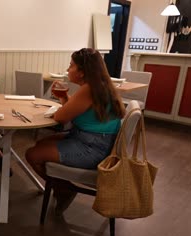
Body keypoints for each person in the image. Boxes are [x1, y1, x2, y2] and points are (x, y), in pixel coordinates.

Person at [25, 48, 125, 215]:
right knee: (41, 143)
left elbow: (61, 118)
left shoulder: (88, 89)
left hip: (92, 147)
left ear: (82, 72)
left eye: (71, 65)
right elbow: (76, 111)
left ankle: (65, 189)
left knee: (32, 154)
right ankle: (62, 188)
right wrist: (64, 97)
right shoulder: (98, 86)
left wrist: (62, 102)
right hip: (97, 141)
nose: (67, 69)